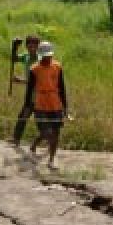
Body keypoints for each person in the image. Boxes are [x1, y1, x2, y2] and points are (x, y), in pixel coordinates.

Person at [24, 41, 67, 170]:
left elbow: (62, 87)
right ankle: (35, 145)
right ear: (40, 55)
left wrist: (65, 107)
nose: (48, 58)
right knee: (46, 132)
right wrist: (27, 106)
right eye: (45, 56)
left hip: (55, 103)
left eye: (50, 56)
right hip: (41, 103)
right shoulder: (34, 69)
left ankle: (51, 160)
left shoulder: (57, 66)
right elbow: (29, 89)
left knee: (56, 133)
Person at [10, 35, 41, 147]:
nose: (32, 48)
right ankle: (16, 139)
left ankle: (46, 141)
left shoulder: (40, 60)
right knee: (23, 116)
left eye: (34, 46)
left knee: (41, 121)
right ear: (27, 46)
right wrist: (15, 47)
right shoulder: (26, 57)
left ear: (38, 47)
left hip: (40, 96)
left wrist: (20, 80)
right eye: (29, 46)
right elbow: (14, 59)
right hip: (30, 95)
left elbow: (38, 81)